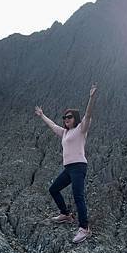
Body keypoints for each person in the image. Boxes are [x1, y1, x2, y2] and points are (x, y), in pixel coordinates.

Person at [34, 83, 97, 243]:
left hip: (79, 167)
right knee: (53, 189)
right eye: (64, 117)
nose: (66, 119)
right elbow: (53, 125)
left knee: (78, 196)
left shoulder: (81, 129)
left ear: (75, 118)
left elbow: (88, 115)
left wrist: (91, 97)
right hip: (68, 168)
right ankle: (66, 215)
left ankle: (84, 228)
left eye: (69, 117)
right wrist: (42, 115)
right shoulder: (64, 132)